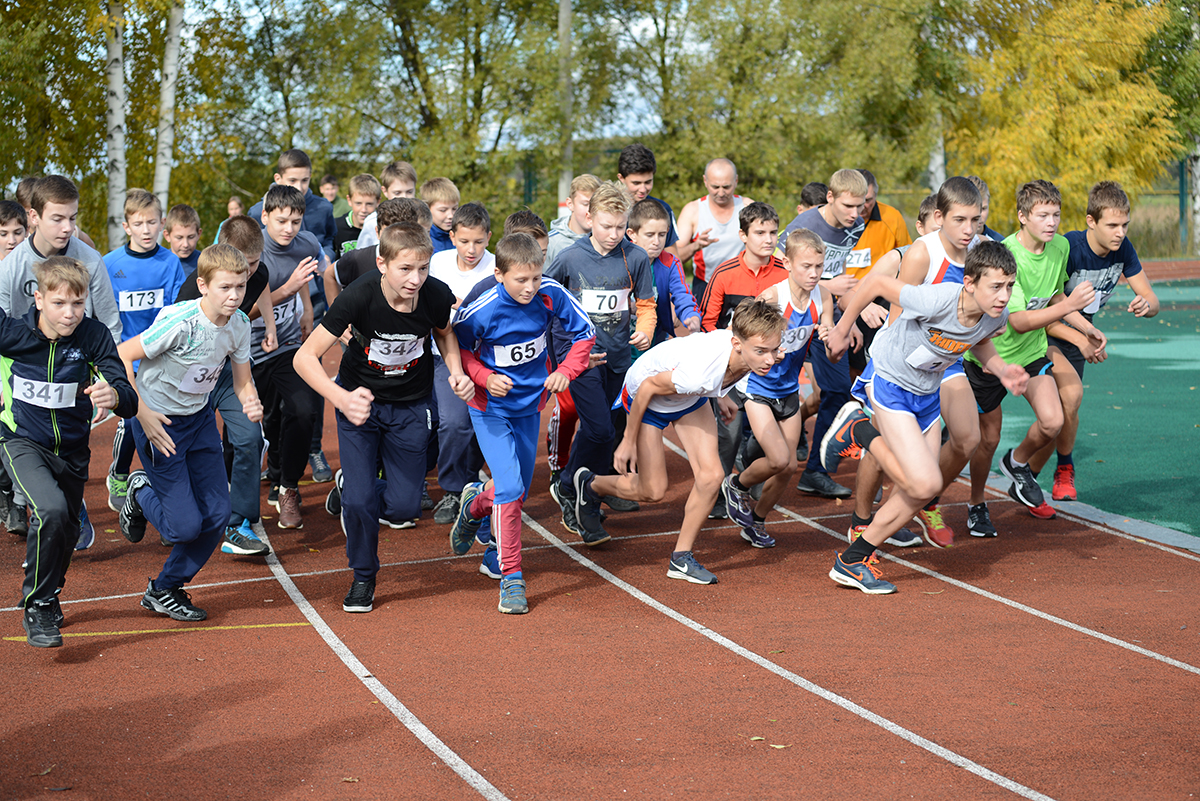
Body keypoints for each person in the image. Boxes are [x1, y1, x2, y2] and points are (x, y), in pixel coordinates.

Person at [819, 240, 1025, 593]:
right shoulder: (936, 299)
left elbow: (979, 340)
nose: (1004, 296)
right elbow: (876, 283)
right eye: (996, 286)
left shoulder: (995, 316)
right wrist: (841, 328)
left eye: (1009, 286)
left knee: (919, 492)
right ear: (969, 283)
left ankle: (852, 560)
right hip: (890, 381)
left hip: (926, 395)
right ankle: (858, 429)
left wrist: (1002, 370)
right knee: (925, 484)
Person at [293, 222, 473, 614]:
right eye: (405, 269)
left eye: (422, 268)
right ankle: (363, 576)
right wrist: (342, 399)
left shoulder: (435, 294)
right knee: (360, 503)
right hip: (360, 404)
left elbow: (444, 333)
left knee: (404, 508)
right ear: (382, 264)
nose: (415, 279)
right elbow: (304, 357)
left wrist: (456, 371)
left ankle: (353, 489)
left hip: (410, 406)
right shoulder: (358, 297)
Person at [576, 299, 784, 584]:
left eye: (774, 350)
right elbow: (648, 387)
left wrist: (721, 394)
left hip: (688, 397)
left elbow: (736, 346)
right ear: (737, 344)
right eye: (761, 352)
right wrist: (627, 440)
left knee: (712, 477)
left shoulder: (750, 349)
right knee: (653, 491)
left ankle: (681, 558)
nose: (770, 360)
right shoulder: (699, 373)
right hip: (648, 398)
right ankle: (591, 484)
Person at [449, 233, 596, 613]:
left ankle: (474, 506)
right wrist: (484, 377)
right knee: (512, 489)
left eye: (535, 277)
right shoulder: (483, 307)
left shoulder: (551, 293)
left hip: (530, 406)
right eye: (520, 280)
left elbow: (585, 333)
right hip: (490, 408)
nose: (530, 287)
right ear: (499, 275)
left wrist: (566, 369)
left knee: (515, 490)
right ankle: (512, 578)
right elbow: (458, 348)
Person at [117, 243, 261, 621]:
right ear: (203, 285)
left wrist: (251, 401)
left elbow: (243, 380)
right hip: (159, 422)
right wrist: (142, 414)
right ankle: (140, 490)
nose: (234, 296)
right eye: (225, 287)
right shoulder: (180, 322)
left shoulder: (240, 324)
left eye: (241, 287)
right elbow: (122, 355)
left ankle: (164, 588)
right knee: (183, 528)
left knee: (217, 515)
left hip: (198, 421)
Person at [4, 257, 137, 647]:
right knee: (51, 510)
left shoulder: (93, 336)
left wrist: (114, 394)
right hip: (21, 441)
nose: (69, 313)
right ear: (39, 299)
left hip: (73, 451)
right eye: (59, 303)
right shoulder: (13, 334)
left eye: (78, 304)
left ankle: (51, 590)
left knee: (67, 527)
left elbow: (128, 397)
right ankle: (37, 604)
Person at [965, 180, 1102, 530]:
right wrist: (1070, 308)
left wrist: (1085, 327)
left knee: (1053, 420)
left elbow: (1054, 296)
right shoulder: (1006, 254)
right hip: (991, 358)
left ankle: (1016, 462)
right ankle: (976, 503)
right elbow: (1019, 320)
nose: (1051, 222)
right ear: (1022, 217)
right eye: (1043, 215)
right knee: (986, 440)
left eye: (1056, 214)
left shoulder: (1059, 248)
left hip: (1032, 353)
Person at [1032, 180, 1158, 500]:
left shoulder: (1123, 249)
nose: (1120, 232)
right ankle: (1054, 468)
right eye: (1112, 225)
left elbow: (1152, 299)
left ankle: (1029, 474)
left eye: (1125, 225)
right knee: (1068, 400)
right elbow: (1045, 311)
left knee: (1065, 410)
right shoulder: (1068, 249)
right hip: (1044, 333)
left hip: (1078, 334)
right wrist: (1081, 337)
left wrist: (1146, 305)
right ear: (1091, 221)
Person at [546, 181, 656, 545]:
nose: (613, 234)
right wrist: (563, 354)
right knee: (601, 431)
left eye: (620, 227)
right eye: (606, 226)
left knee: (604, 426)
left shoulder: (635, 257)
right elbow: (546, 302)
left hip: (618, 358)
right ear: (589, 218)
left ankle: (577, 485)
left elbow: (646, 305)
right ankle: (578, 490)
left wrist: (644, 330)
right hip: (581, 359)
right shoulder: (569, 258)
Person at [721, 229, 833, 547]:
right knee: (779, 458)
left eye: (819, 266)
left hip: (788, 389)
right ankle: (737, 484)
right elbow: (739, 335)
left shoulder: (823, 296)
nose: (813, 273)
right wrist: (766, 351)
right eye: (806, 266)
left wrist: (832, 334)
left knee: (788, 467)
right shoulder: (773, 297)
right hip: (758, 386)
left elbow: (829, 340)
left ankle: (756, 521)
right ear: (787, 263)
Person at [175, 216, 278, 557]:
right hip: (190, 376)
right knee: (188, 447)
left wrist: (270, 324)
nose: (247, 274)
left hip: (231, 374)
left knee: (250, 438)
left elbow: (261, 285)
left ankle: (238, 524)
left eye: (254, 264)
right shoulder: (191, 291)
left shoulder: (257, 273)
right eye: (242, 265)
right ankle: (173, 507)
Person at [777, 169, 868, 499]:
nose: (855, 214)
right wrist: (828, 284)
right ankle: (754, 456)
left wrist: (848, 319)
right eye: (848, 206)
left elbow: (837, 273)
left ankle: (815, 471)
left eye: (860, 206)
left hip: (826, 315)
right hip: (791, 314)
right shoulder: (804, 225)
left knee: (838, 390)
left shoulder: (856, 226)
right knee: (771, 387)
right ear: (830, 197)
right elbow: (780, 269)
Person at [698, 201, 788, 517]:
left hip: (769, 372)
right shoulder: (724, 273)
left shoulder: (784, 273)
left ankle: (749, 479)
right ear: (743, 235)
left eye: (773, 232)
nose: (768, 239)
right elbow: (707, 322)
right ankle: (717, 492)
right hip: (732, 370)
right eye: (760, 233)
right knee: (729, 433)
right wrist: (731, 353)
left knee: (765, 435)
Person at [103, 189, 187, 515]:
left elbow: (175, 310)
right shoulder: (110, 264)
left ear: (162, 223)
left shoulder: (171, 262)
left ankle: (166, 482)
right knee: (130, 418)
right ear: (126, 226)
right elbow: (103, 314)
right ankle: (119, 474)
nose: (146, 229)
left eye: (152, 222)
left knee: (165, 420)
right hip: (125, 357)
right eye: (138, 224)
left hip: (159, 357)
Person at [253, 185, 324, 529]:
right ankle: (266, 474)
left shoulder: (306, 243)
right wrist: (288, 289)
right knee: (264, 420)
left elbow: (307, 275)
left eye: (295, 222)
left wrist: (307, 307)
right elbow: (240, 311)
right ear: (265, 216)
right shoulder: (251, 250)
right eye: (281, 221)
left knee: (303, 409)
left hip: (288, 345)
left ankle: (288, 487)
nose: (288, 229)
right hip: (249, 351)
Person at [429, 203, 495, 525]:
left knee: (486, 422)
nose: (471, 249)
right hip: (445, 355)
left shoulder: (497, 267)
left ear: (489, 238)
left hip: (488, 358)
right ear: (452, 236)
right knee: (453, 422)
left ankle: (471, 480)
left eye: (479, 242)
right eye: (464, 241)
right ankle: (453, 489)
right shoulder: (437, 262)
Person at [325, 198, 432, 306]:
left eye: (404, 234)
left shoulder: (422, 261)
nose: (396, 240)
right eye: (389, 233)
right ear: (377, 232)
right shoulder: (357, 259)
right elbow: (330, 274)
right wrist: (337, 312)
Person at [628, 198, 701, 347]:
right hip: (620, 344)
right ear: (632, 234)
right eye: (649, 235)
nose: (657, 241)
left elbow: (682, 294)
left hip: (655, 340)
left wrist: (691, 316)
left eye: (662, 235)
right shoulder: (619, 258)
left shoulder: (670, 263)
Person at [675, 159, 750, 301]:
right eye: (715, 187)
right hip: (706, 285)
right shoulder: (693, 210)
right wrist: (695, 246)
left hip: (743, 285)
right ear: (705, 181)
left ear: (736, 181)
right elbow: (674, 257)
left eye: (726, 187)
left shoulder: (748, 207)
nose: (721, 193)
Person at [247, 149, 338, 261]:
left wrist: (327, 255)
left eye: (304, 180)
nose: (299, 187)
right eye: (292, 180)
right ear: (278, 179)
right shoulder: (257, 211)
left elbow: (330, 238)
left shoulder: (324, 207)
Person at [616, 143, 679, 255]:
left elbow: (673, 257)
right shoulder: (609, 210)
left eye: (648, 182)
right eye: (636, 183)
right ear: (621, 178)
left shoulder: (663, 209)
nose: (643, 189)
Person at [357, 161, 419, 250]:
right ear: (385, 191)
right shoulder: (372, 222)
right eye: (397, 193)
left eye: (409, 192)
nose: (404, 197)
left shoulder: (421, 217)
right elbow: (362, 254)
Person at [546, 174, 600, 267]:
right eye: (585, 204)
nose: (591, 211)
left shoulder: (610, 240)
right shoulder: (550, 243)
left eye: (597, 204)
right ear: (570, 204)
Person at [332, 174, 381, 259]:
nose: (363, 209)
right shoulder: (337, 226)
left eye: (369, 204)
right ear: (349, 200)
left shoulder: (382, 228)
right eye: (358, 203)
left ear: (378, 202)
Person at [420, 177, 460, 255]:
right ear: (427, 208)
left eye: (454, 209)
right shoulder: (421, 240)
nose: (451, 215)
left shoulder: (462, 236)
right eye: (443, 210)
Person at [164, 204, 203, 273]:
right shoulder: (159, 264)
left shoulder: (205, 264)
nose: (185, 244)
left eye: (191, 237)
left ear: (198, 234)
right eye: (179, 238)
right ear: (167, 236)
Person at [966, 176, 1005, 242]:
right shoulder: (950, 240)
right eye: (974, 209)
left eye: (983, 209)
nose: (979, 216)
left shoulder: (999, 242)